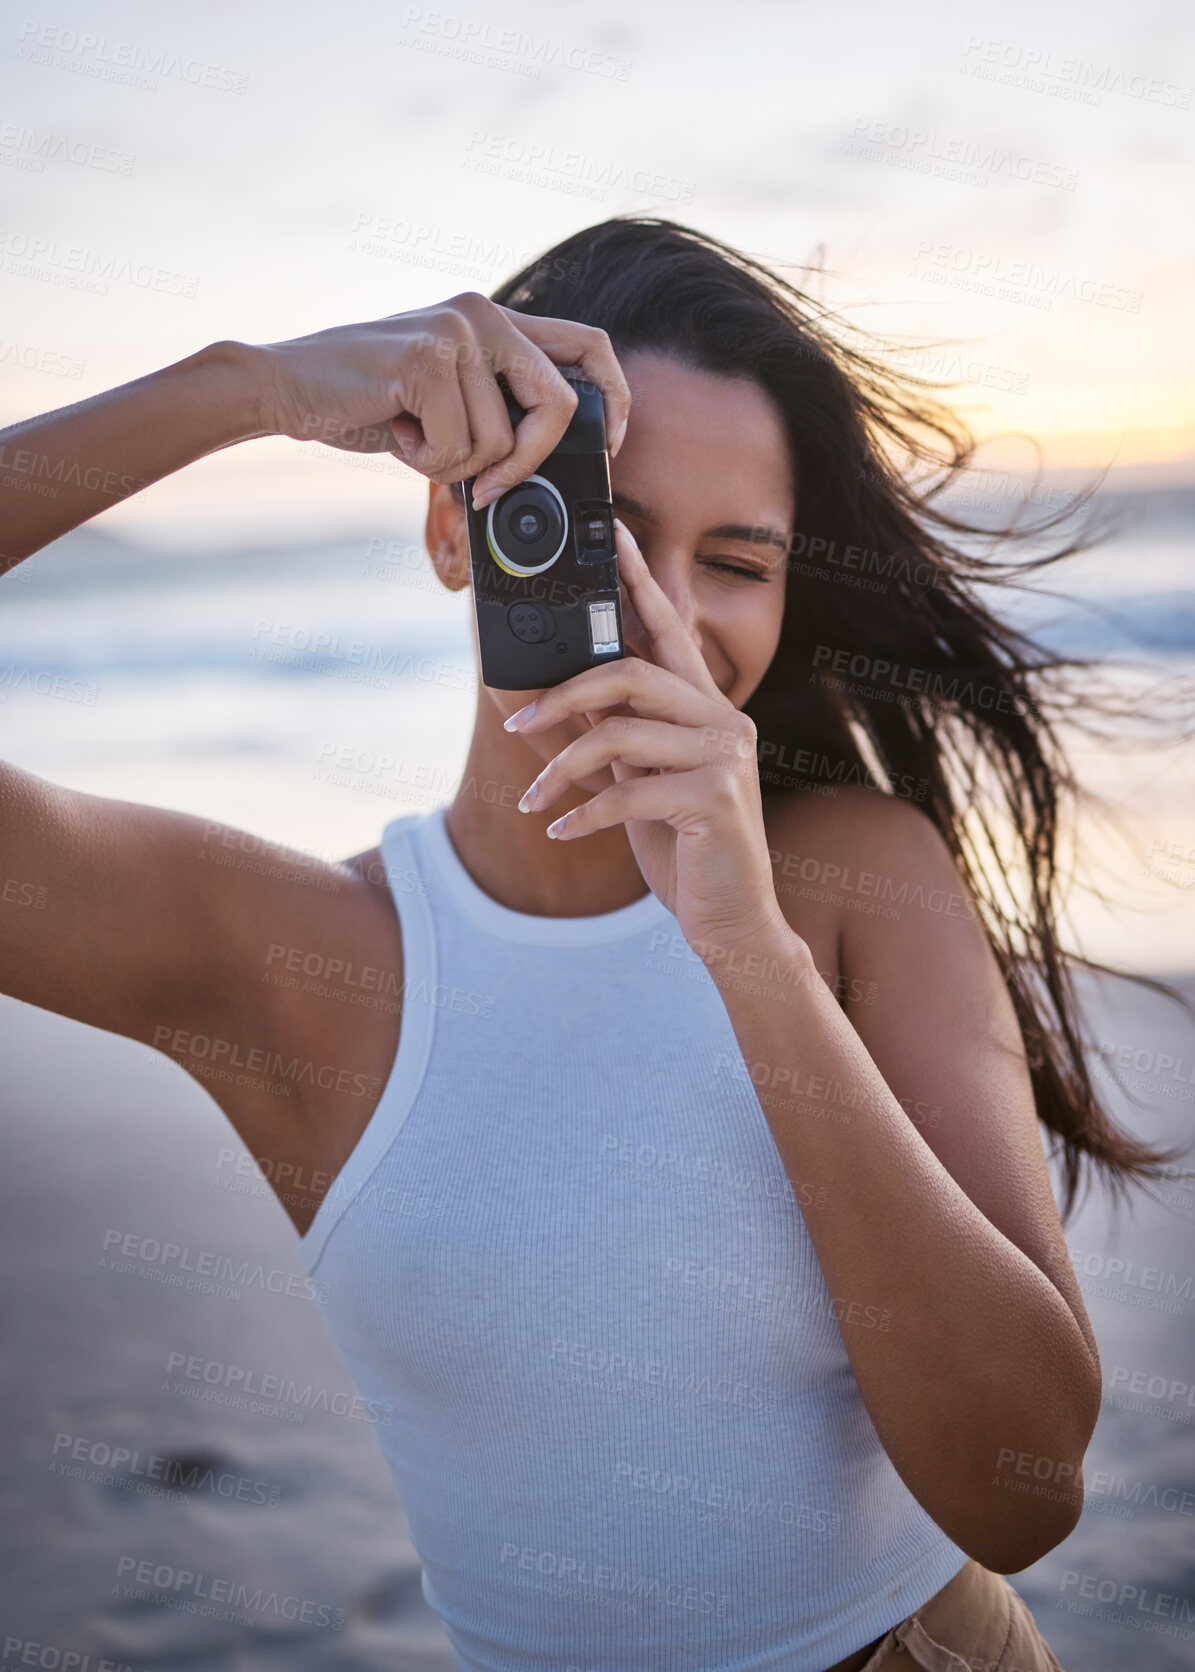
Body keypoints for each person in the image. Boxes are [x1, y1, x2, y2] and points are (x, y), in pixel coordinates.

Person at [1, 215, 1181, 1672]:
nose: (668, 612)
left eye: (738, 560)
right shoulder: (304, 961)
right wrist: (244, 387)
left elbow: (1025, 1494)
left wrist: (746, 951)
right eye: (602, 529)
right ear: (456, 526)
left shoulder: (859, 882)